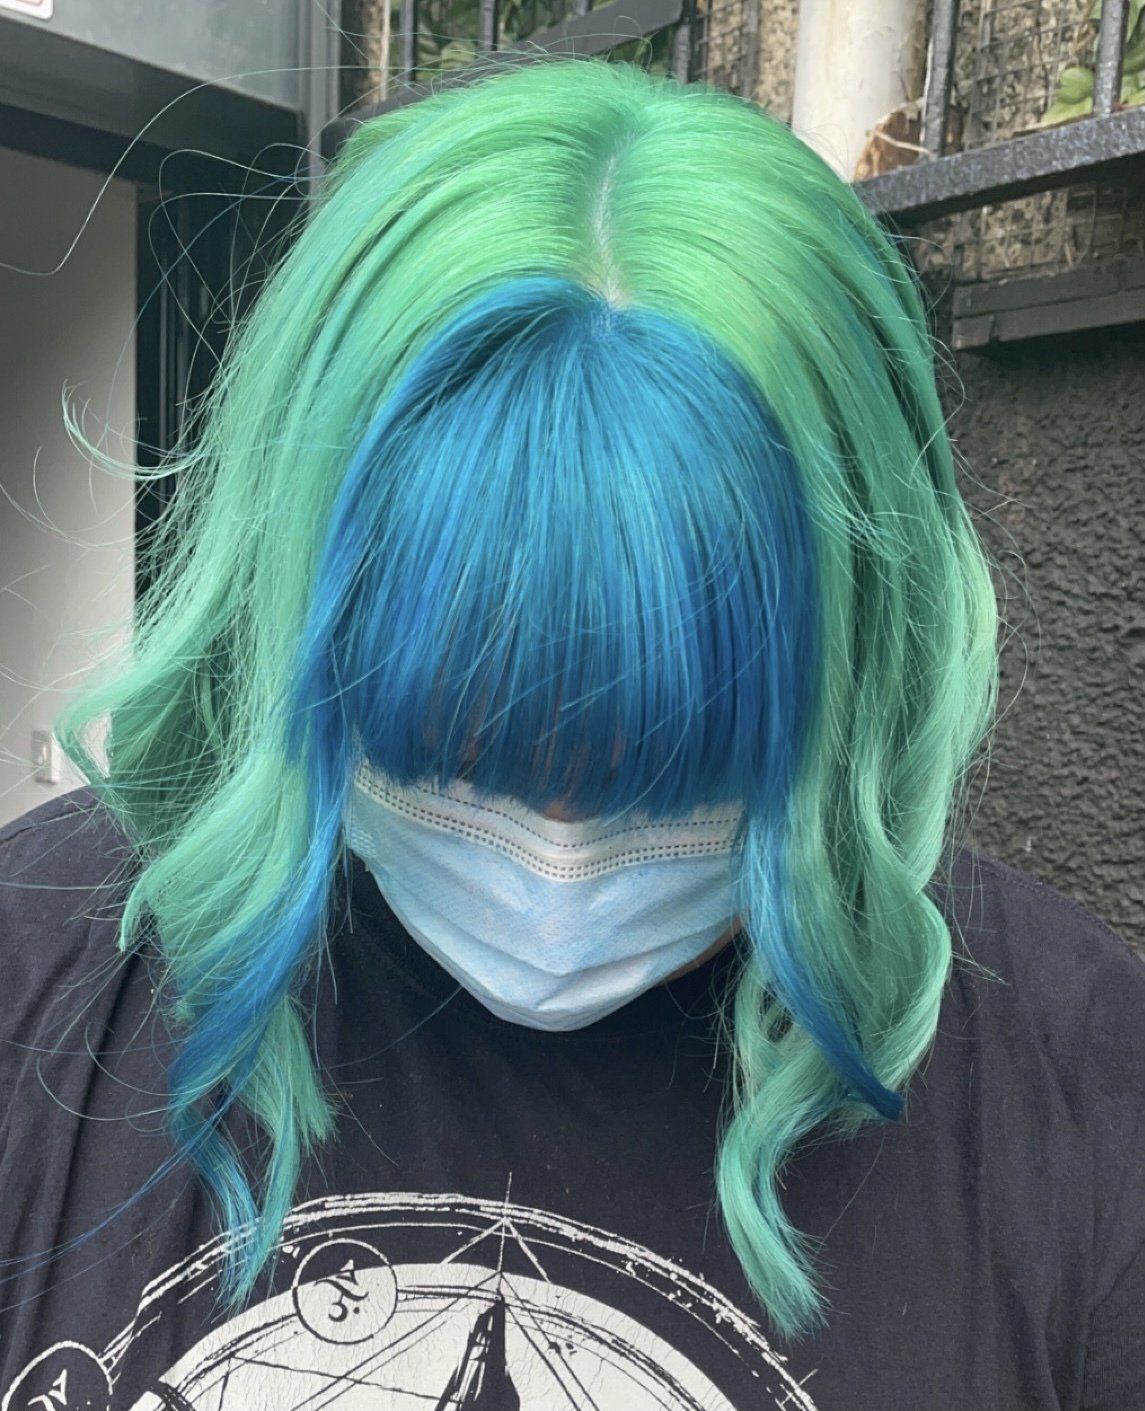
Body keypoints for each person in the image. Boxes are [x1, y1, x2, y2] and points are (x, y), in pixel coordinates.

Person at [1, 54, 1143, 1411]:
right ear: (287, 598)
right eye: (451, 752)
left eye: (678, 772)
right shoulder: (38, 976)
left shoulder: (1077, 1090)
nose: (556, 865)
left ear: (866, 662)